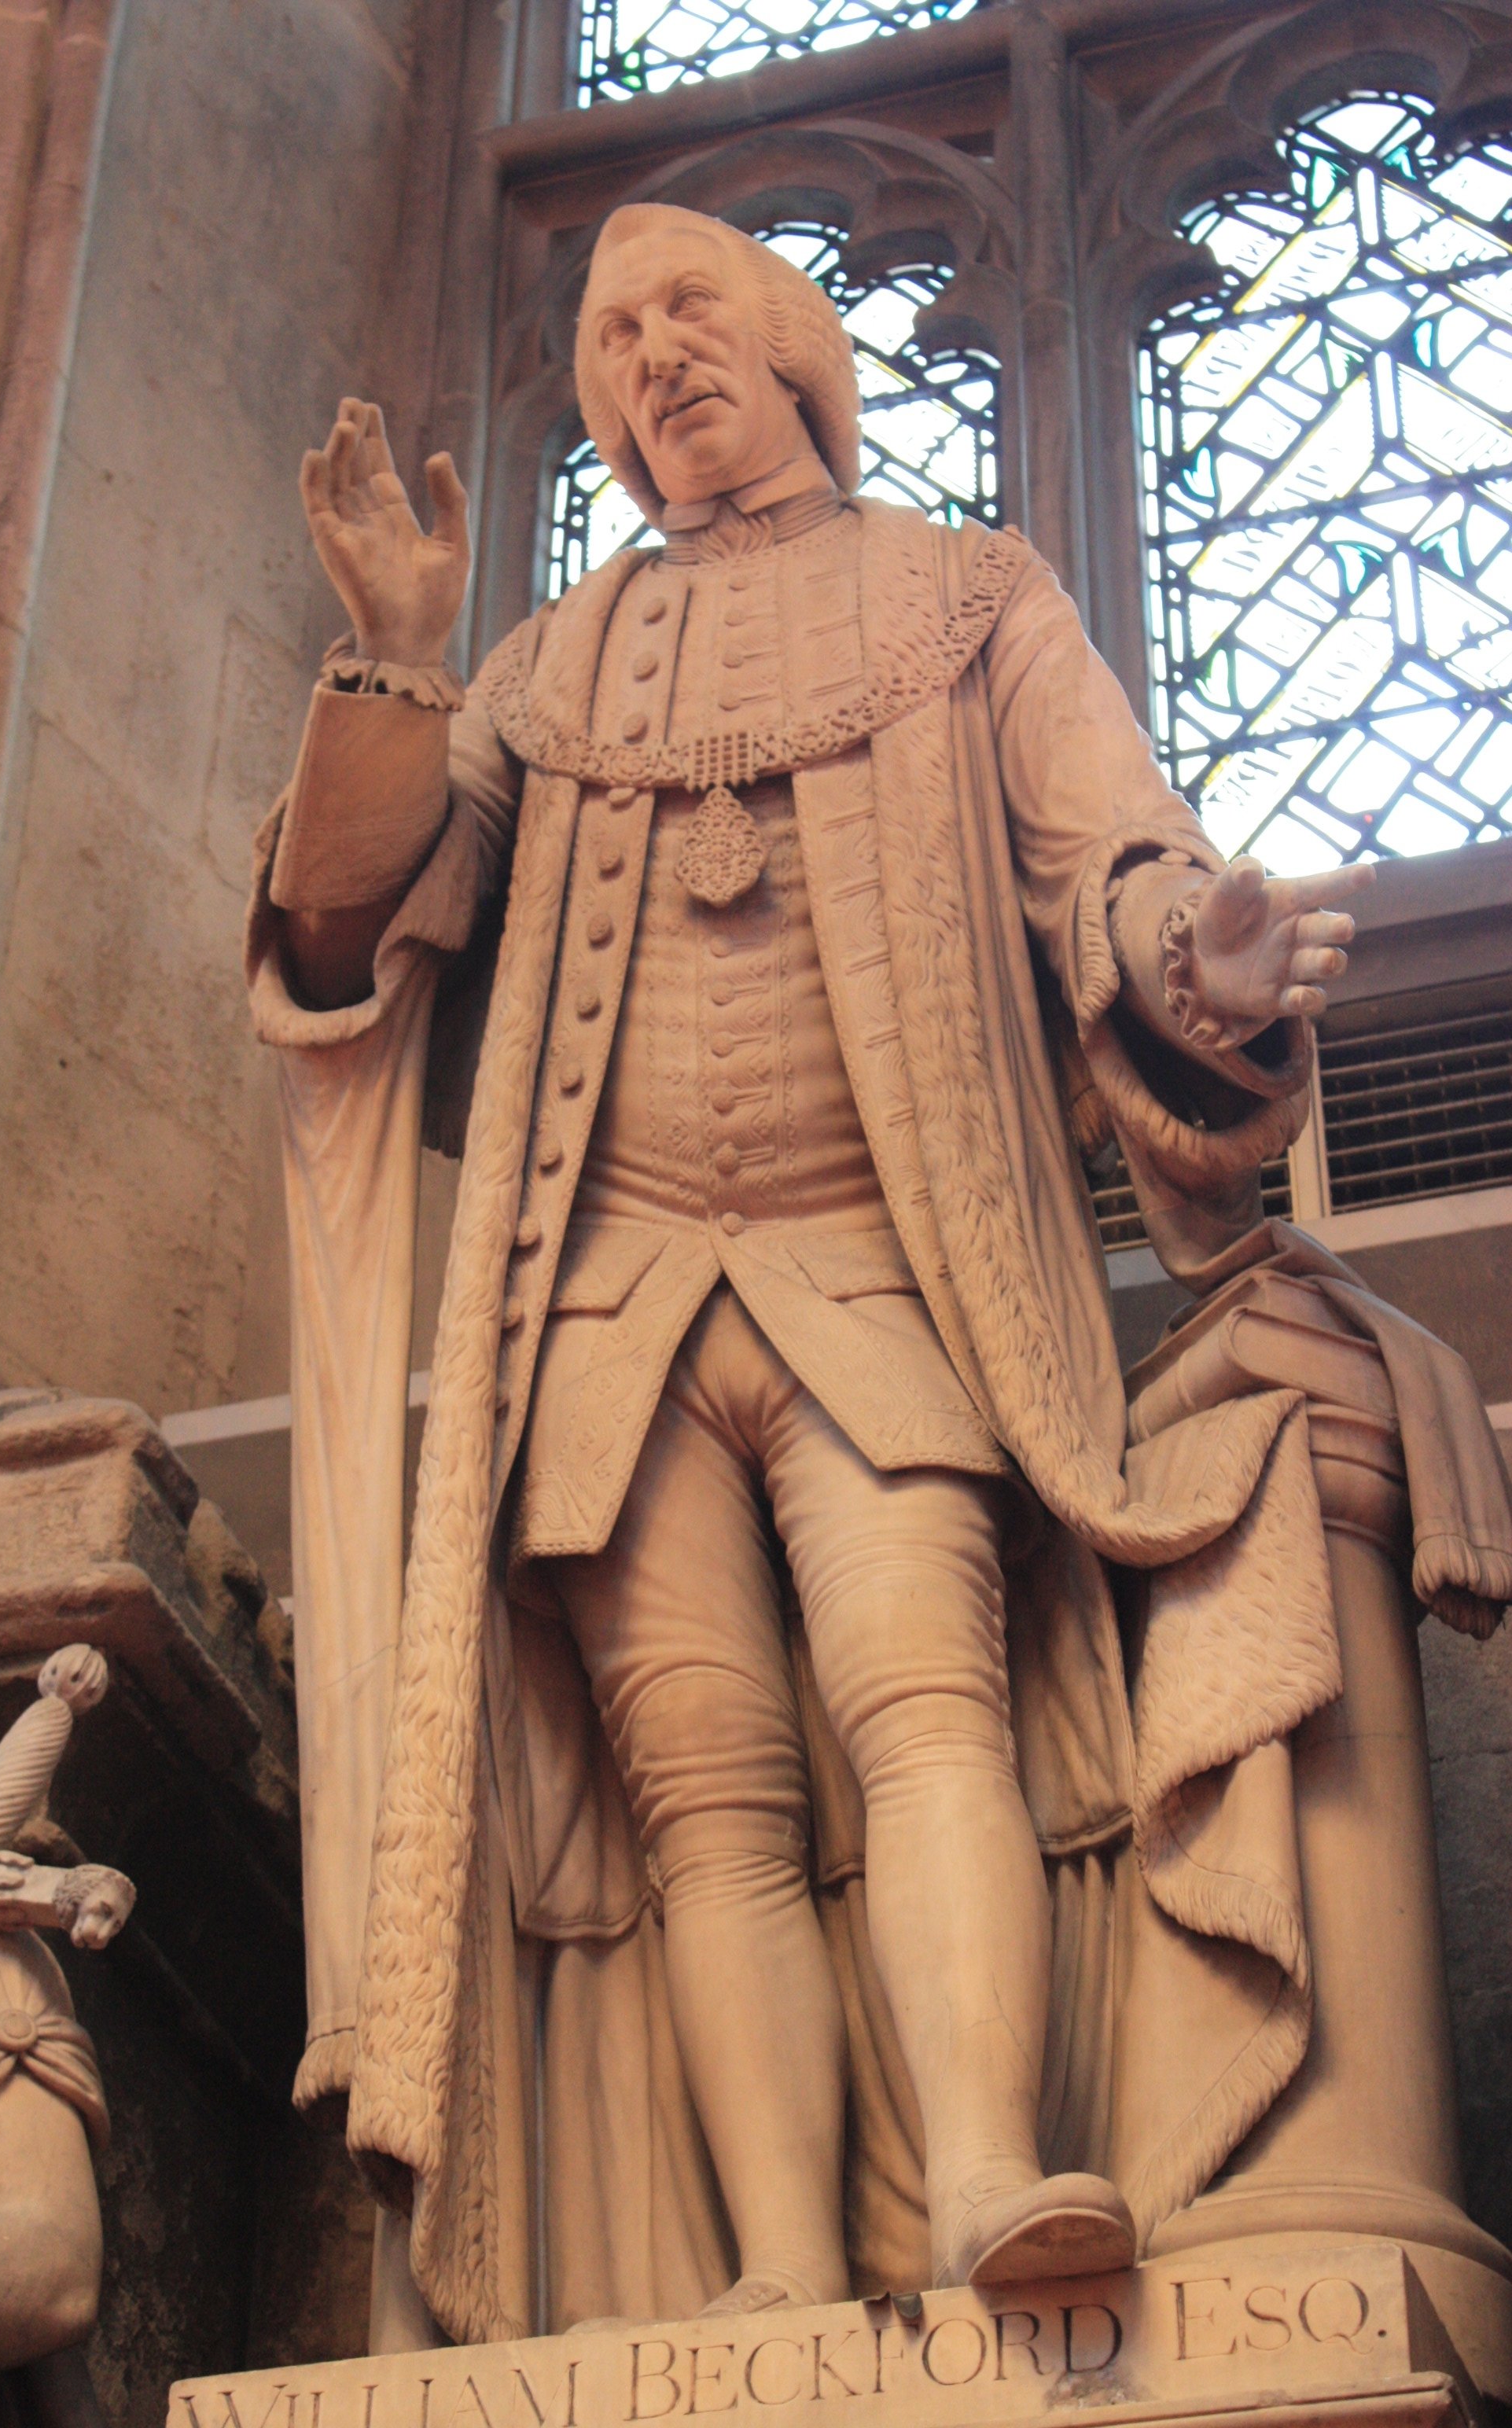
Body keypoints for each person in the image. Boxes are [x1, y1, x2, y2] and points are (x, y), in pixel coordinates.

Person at [249, 204, 1398, 2342]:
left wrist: (1191, 953)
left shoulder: (965, 592)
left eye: (691, 309)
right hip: (601, 1315)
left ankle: (983, 2179)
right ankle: (775, 2268)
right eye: (607, 338)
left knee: (922, 1702)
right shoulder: (555, 660)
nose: (649, 356)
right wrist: (401, 666)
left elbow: (1110, 851)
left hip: (889, 1271)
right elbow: (347, 939)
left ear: (799, 354)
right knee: (705, 1797)